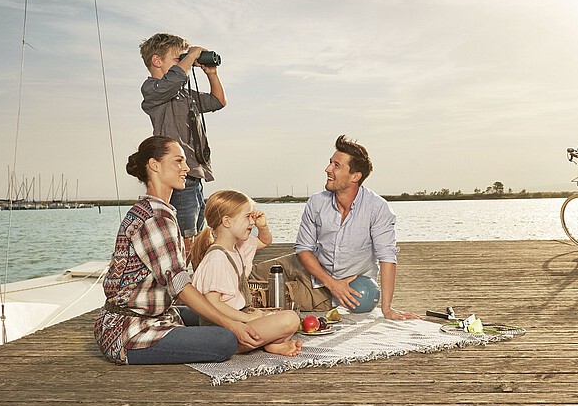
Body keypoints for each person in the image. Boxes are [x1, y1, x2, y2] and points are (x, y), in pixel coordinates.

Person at [94, 136, 265, 366]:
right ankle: (261, 336)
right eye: (178, 161)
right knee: (224, 338)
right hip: (130, 332)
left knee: (214, 316)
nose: (186, 168)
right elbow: (180, 285)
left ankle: (257, 334)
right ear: (154, 165)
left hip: (157, 315)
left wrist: (233, 317)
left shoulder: (157, 211)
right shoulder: (155, 218)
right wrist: (233, 324)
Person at [294, 134, 420, 320]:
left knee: (282, 297)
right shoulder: (316, 202)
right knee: (253, 273)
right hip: (316, 273)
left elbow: (387, 257)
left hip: (354, 288)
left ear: (355, 176)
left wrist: (387, 309)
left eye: (336, 165)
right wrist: (331, 283)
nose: (327, 169)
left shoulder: (377, 208)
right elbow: (303, 248)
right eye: (330, 163)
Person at [191, 190, 303, 356]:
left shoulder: (238, 248)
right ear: (227, 222)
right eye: (247, 217)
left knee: (283, 315)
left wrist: (262, 226)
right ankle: (258, 343)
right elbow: (213, 303)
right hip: (222, 330)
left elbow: (265, 241)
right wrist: (248, 319)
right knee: (290, 319)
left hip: (239, 318)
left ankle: (271, 344)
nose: (252, 221)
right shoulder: (217, 258)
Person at [139, 32, 225, 243]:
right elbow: (171, 82)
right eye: (178, 58)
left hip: (194, 174)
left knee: (196, 233)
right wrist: (191, 56)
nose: (186, 61)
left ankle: (191, 271)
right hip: (175, 177)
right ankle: (181, 273)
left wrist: (211, 74)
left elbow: (217, 101)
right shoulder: (151, 90)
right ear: (157, 61)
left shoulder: (184, 94)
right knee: (183, 238)